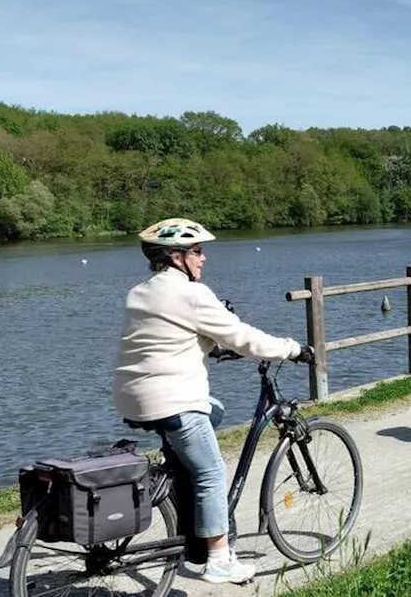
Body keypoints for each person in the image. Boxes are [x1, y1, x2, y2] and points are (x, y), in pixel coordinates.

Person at [114, 218, 308, 585]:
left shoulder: (139, 292)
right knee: (211, 473)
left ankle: (182, 505)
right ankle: (219, 560)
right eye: (197, 251)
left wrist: (209, 346)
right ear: (175, 256)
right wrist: (292, 349)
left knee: (213, 411)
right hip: (171, 401)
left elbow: (165, 335)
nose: (203, 259)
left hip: (132, 398)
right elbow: (244, 337)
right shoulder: (192, 294)